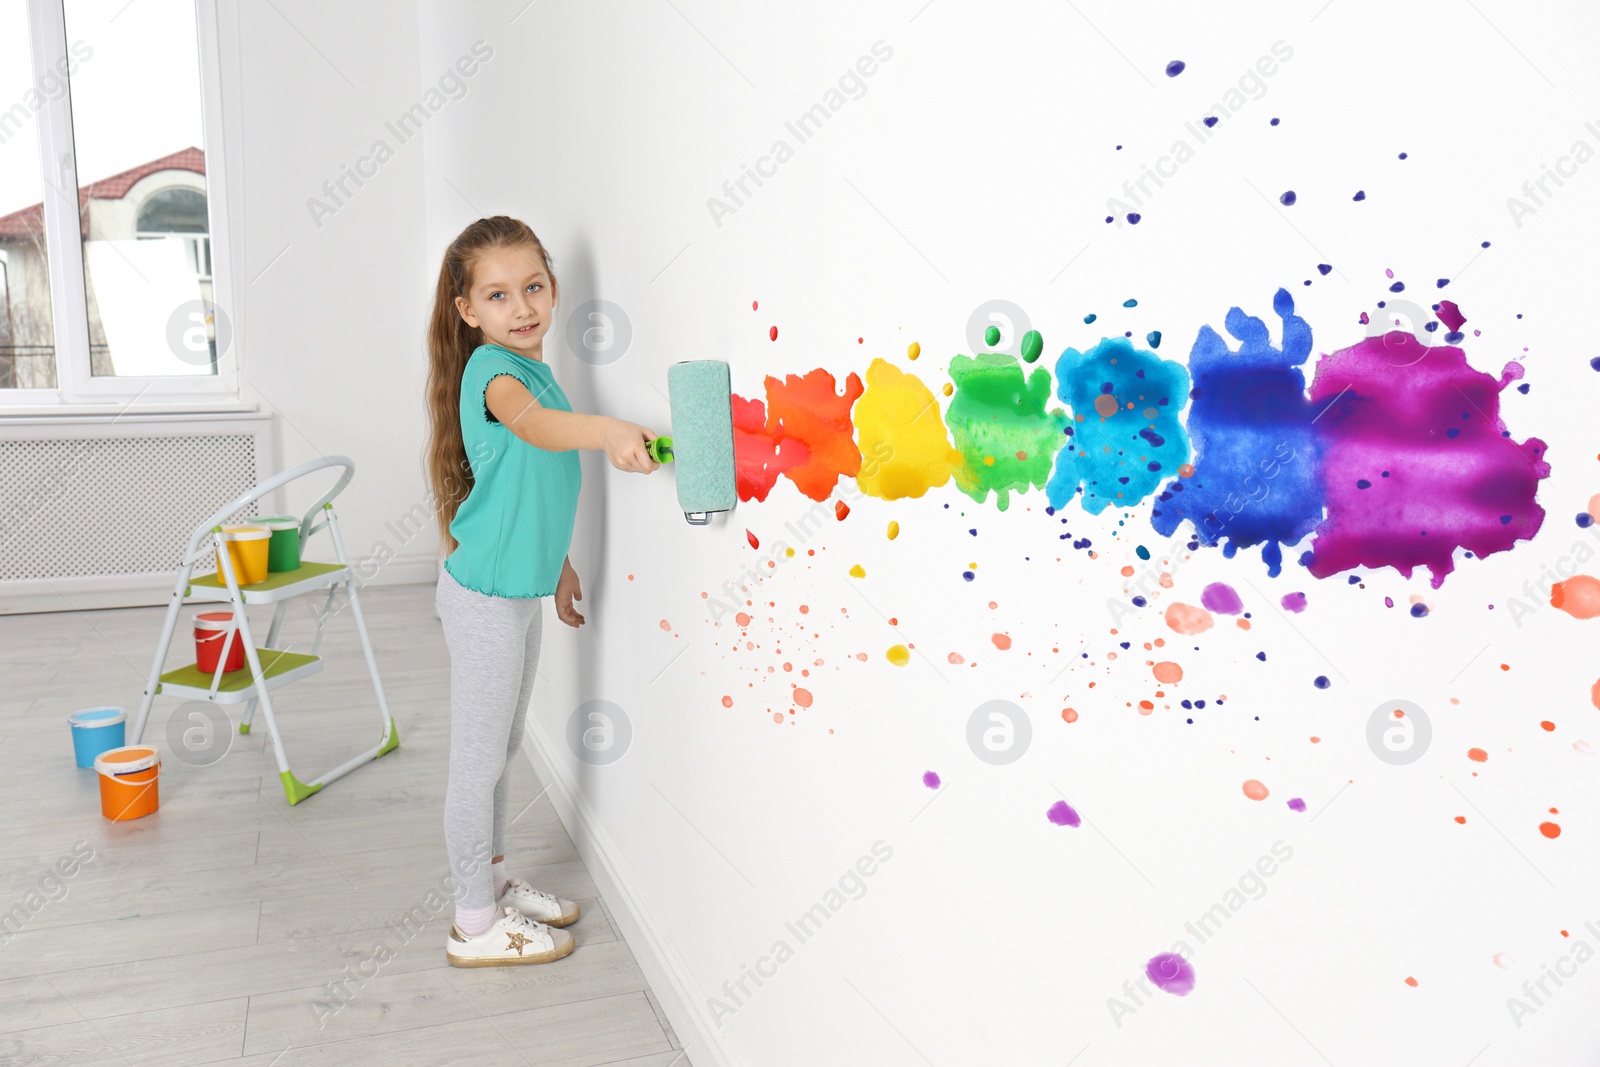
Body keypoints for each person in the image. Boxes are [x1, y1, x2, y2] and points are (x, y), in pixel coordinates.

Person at [424, 215, 659, 966]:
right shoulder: (494, 375)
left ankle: (490, 883)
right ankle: (472, 923)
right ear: (469, 311)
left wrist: (556, 568)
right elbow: (542, 433)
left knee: (504, 744)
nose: (521, 306)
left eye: (532, 286)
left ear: (553, 288)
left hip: (519, 590)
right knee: (479, 757)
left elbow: (527, 489)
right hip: (485, 598)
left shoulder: (536, 369)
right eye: (497, 295)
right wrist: (610, 429)